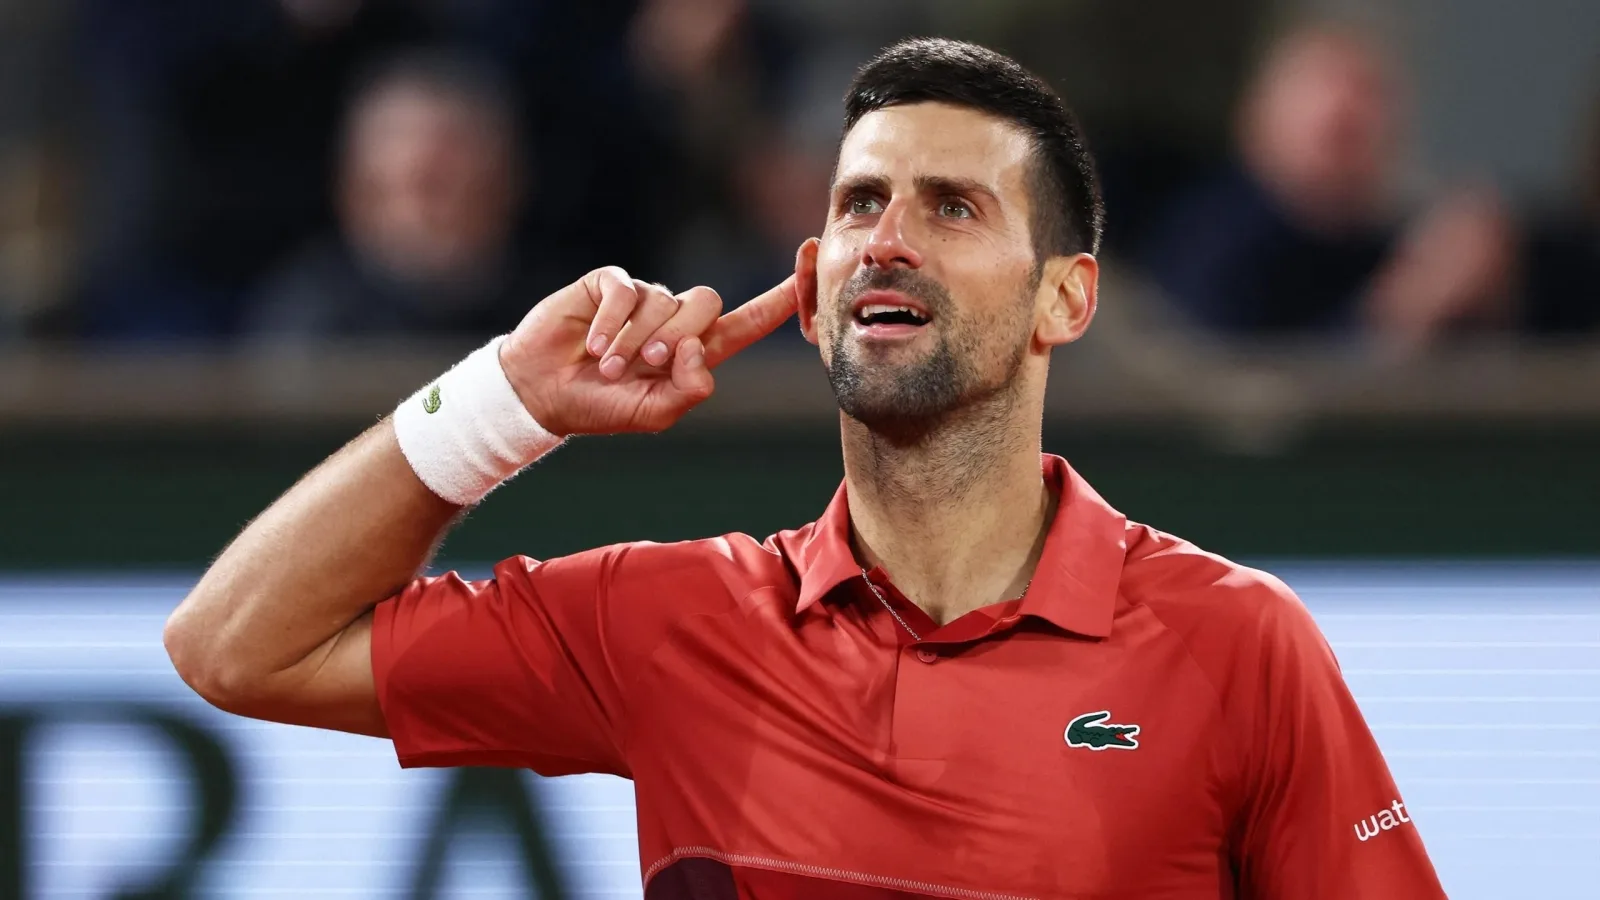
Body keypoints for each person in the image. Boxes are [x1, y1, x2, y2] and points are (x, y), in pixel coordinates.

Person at [164, 38, 1446, 898]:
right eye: (858, 203)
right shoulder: (668, 625)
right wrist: (506, 401)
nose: (887, 239)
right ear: (816, 283)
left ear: (1065, 297)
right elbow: (235, 647)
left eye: (953, 207)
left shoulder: (1237, 644)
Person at [1140, 24, 1511, 345]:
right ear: (1256, 113)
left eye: (1368, 92)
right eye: (1322, 83)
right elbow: (1231, 386)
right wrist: (1410, 303)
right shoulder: (1213, 242)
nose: (1345, 106)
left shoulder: (1377, 245)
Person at [241, 51, 561, 341]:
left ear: (505, 180)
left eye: (442, 184)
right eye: (415, 188)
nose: (422, 163)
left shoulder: (558, 313)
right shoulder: (304, 320)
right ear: (356, 187)